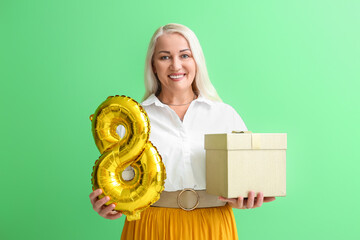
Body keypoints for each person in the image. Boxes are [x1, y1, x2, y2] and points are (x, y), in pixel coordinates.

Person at [89, 23, 276, 239]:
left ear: (197, 61)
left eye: (185, 55)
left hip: (212, 226)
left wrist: (246, 198)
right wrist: (109, 204)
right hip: (151, 226)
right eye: (165, 57)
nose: (176, 66)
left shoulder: (225, 115)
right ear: (153, 65)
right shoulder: (133, 122)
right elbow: (121, 181)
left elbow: (245, 179)